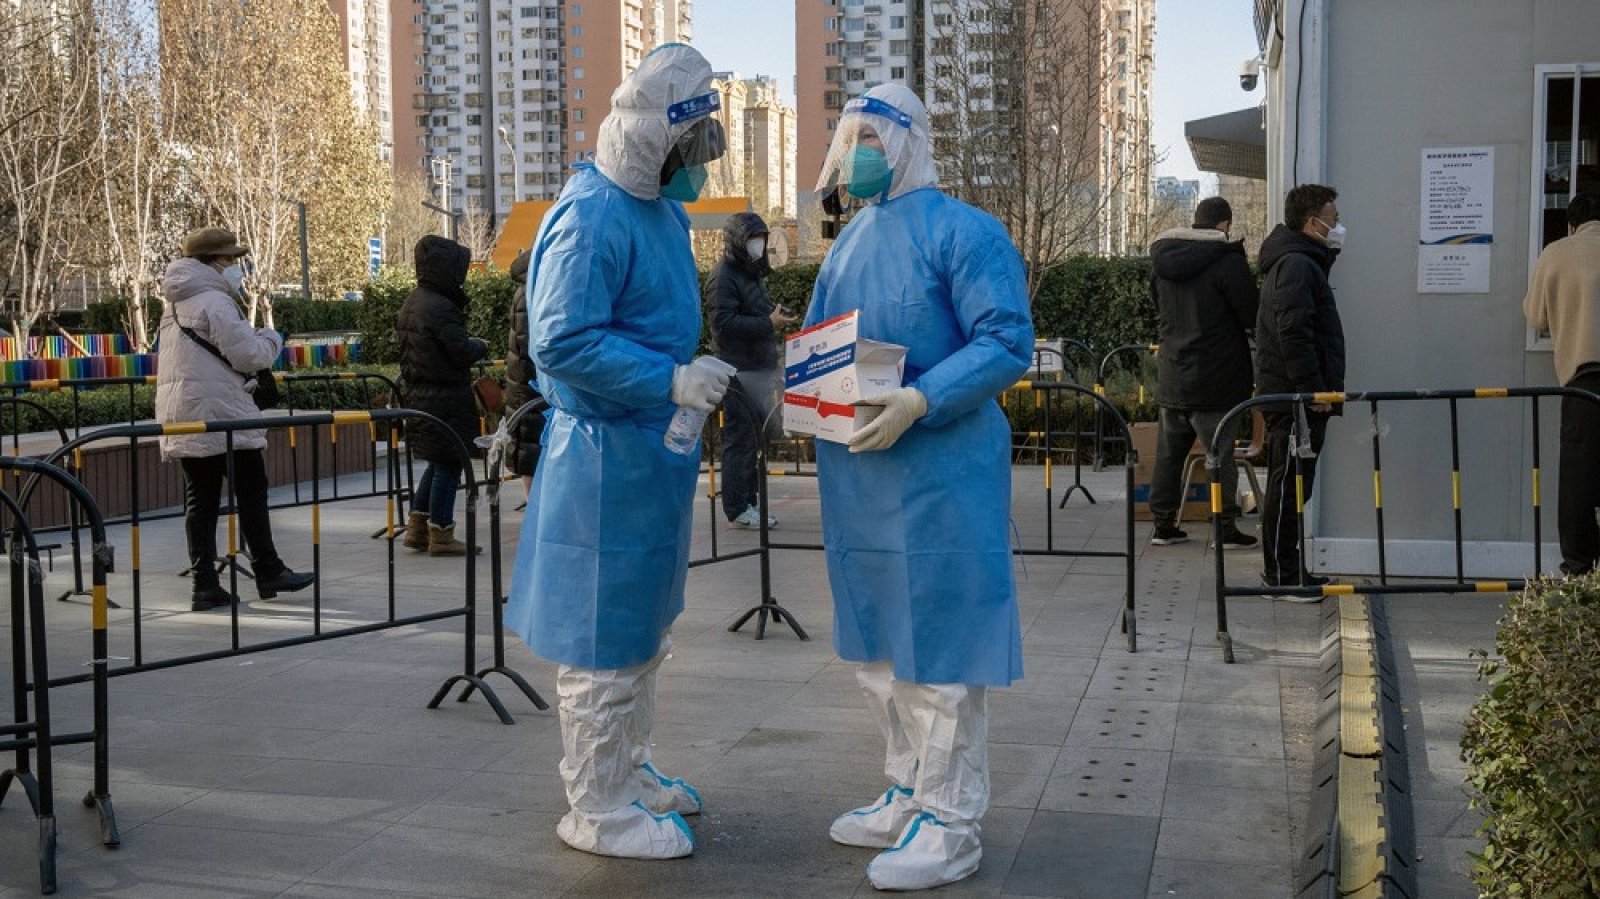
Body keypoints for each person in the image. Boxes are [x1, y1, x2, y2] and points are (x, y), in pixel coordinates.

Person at [501, 43, 730, 861]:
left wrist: (676, 385)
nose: (701, 162)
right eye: (693, 145)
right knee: (602, 641)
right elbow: (561, 341)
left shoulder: (658, 211)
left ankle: (627, 769)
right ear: (654, 138)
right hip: (603, 457)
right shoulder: (592, 214)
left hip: (647, 453)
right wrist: (669, 378)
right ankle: (595, 805)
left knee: (642, 630)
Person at [805, 84, 1034, 892]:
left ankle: (951, 818)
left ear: (907, 141)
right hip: (861, 474)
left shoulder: (965, 232)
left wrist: (921, 398)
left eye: (869, 137)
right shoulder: (848, 242)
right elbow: (820, 342)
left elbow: (1006, 340)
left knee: (940, 652)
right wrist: (806, 396)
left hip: (942, 473)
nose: (854, 153)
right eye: (848, 138)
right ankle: (909, 789)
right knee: (879, 648)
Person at [155, 227, 315, 611]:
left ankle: (204, 585)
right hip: (222, 412)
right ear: (213, 262)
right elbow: (248, 356)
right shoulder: (215, 301)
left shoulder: (173, 305)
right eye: (230, 259)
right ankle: (268, 569)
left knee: (201, 500)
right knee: (252, 490)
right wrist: (272, 338)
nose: (235, 267)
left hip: (185, 412)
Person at [1147, 196, 1259, 550]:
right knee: (1219, 456)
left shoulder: (1163, 262)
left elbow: (1157, 306)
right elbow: (1251, 314)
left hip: (1173, 374)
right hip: (1217, 378)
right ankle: (1224, 528)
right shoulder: (1228, 261)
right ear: (1225, 224)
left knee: (1169, 456)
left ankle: (1163, 525)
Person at [1254, 184, 1346, 592]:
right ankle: (1282, 575)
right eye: (1333, 219)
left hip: (1297, 397)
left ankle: (1287, 570)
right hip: (1296, 401)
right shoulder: (1296, 265)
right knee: (1289, 486)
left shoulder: (1302, 262)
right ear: (1313, 223)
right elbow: (1294, 332)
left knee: (1294, 486)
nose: (1338, 226)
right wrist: (1312, 391)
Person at [1523, 191, 1600, 577]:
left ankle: (1579, 570)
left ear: (1572, 224)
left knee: (1579, 481)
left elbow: (1536, 316)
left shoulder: (1556, 252)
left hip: (1584, 381)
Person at [397, 235, 487, 556]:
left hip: (420, 394)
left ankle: (417, 528)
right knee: (450, 464)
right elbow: (459, 351)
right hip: (446, 397)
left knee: (437, 463)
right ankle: (442, 534)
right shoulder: (441, 307)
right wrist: (480, 345)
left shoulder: (414, 301)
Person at [707, 211, 795, 528]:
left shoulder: (749, 272)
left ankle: (750, 501)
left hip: (758, 367)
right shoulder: (724, 276)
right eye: (752, 238)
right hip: (738, 371)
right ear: (737, 241)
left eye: (761, 237)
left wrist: (773, 324)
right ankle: (738, 507)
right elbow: (723, 324)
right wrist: (767, 323)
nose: (759, 244)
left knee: (754, 441)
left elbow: (754, 313)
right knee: (740, 440)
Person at [504, 249, 542, 493]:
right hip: (530, 387)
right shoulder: (534, 290)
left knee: (531, 456)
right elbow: (534, 345)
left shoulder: (528, 287)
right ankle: (535, 512)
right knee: (531, 456)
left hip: (524, 384)